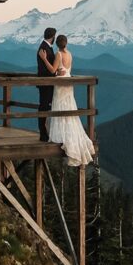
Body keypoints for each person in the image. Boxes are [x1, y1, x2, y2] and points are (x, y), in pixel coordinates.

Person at [47, 34, 95, 166]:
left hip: (60, 82)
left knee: (59, 106)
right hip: (68, 81)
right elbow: (67, 70)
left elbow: (52, 70)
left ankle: (61, 134)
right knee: (69, 106)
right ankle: (68, 132)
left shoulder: (58, 55)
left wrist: (45, 59)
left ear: (57, 44)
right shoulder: (70, 54)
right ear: (66, 43)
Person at [36, 27, 57, 141]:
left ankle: (45, 131)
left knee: (45, 106)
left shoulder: (46, 47)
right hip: (45, 83)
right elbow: (47, 69)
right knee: (43, 106)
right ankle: (43, 133)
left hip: (47, 82)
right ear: (53, 37)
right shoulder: (44, 48)